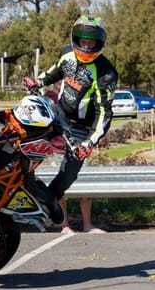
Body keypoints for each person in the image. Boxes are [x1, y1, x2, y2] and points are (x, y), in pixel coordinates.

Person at [23, 15, 118, 226]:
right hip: (58, 114)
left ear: (98, 43)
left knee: (68, 175)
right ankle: (12, 181)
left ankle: (44, 205)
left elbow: (105, 112)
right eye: (82, 41)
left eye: (90, 42)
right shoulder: (67, 51)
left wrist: (89, 143)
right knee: (25, 136)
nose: (85, 46)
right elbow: (56, 70)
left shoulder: (106, 73)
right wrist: (38, 81)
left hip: (82, 131)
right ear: (75, 39)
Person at [44, 81, 106, 234]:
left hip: (79, 148)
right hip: (57, 149)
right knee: (60, 190)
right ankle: (64, 225)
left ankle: (87, 225)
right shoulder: (48, 98)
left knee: (85, 188)